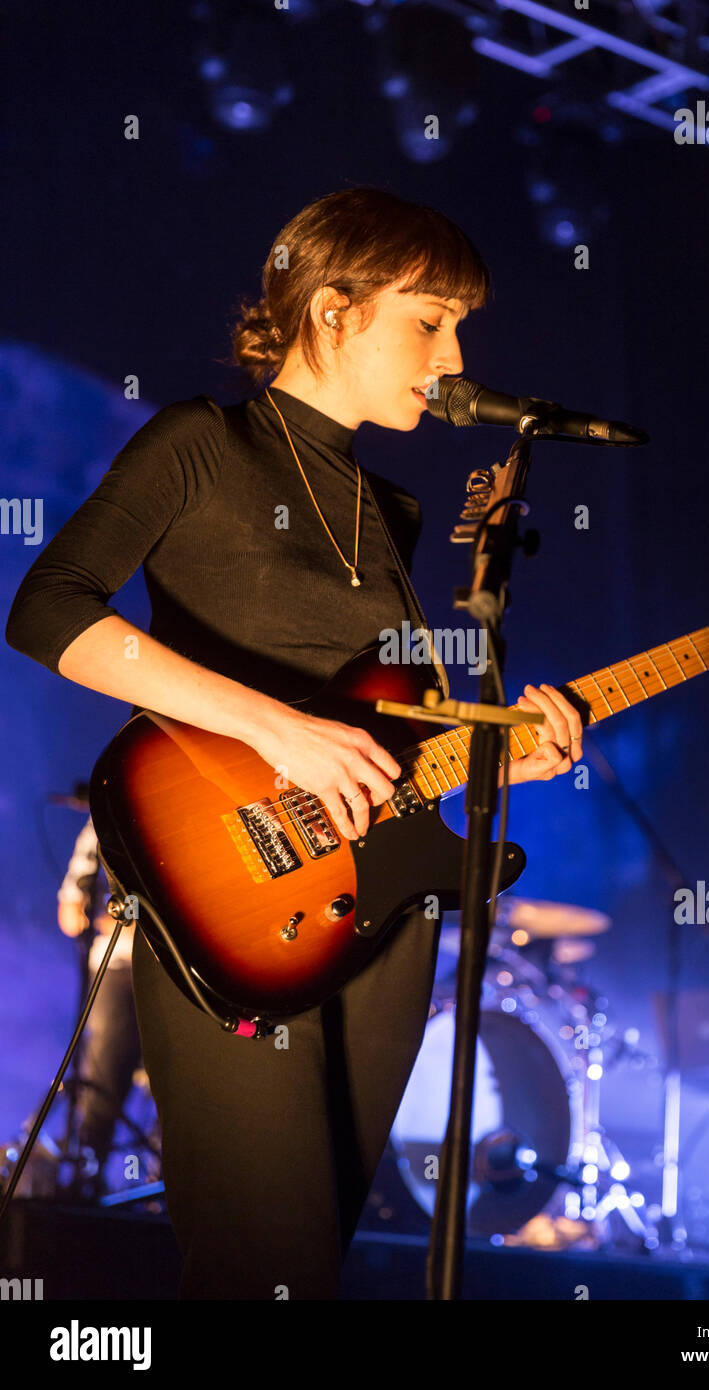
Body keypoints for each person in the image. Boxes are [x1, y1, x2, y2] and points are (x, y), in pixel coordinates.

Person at [6, 186, 583, 1298]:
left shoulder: (387, 508)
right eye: (430, 320)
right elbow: (49, 611)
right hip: (233, 889)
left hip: (378, 913)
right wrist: (274, 727)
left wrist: (511, 747)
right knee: (255, 1260)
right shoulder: (199, 444)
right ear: (332, 311)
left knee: (308, 1263)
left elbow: (385, 739)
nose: (453, 352)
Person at [57, 815, 142, 1200]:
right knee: (104, 1076)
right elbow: (70, 914)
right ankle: (88, 1178)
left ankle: (171, 1186)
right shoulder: (100, 825)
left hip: (177, 969)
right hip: (117, 969)